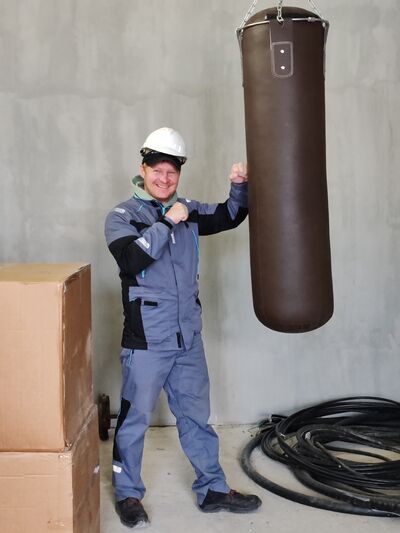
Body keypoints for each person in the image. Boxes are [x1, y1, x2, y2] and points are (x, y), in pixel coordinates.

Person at [104, 127, 261, 528]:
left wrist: (239, 186)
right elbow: (131, 260)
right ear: (143, 170)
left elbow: (228, 215)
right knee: (134, 421)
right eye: (157, 171)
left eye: (171, 172)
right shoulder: (122, 216)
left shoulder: (188, 210)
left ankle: (212, 489)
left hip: (187, 338)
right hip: (146, 341)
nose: (164, 179)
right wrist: (166, 222)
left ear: (179, 174)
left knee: (196, 418)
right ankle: (128, 494)